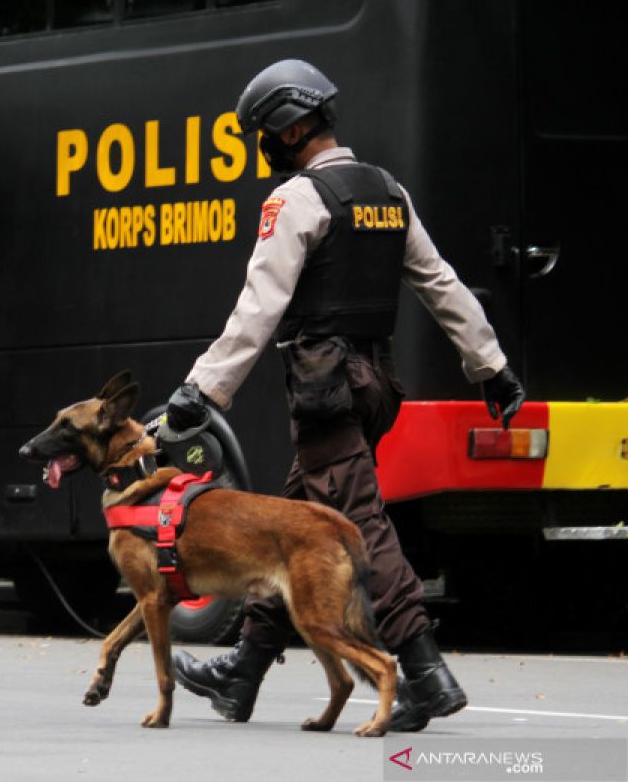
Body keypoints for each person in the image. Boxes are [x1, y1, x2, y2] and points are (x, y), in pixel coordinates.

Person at [163, 59, 525, 733]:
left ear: (294, 127)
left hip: (324, 388)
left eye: (265, 135)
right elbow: (441, 284)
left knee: (361, 526)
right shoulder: (388, 191)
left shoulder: (298, 200)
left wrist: (200, 389)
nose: (263, 149)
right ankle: (243, 672)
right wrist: (492, 367)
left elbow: (258, 309)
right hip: (375, 383)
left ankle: (424, 670)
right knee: (296, 522)